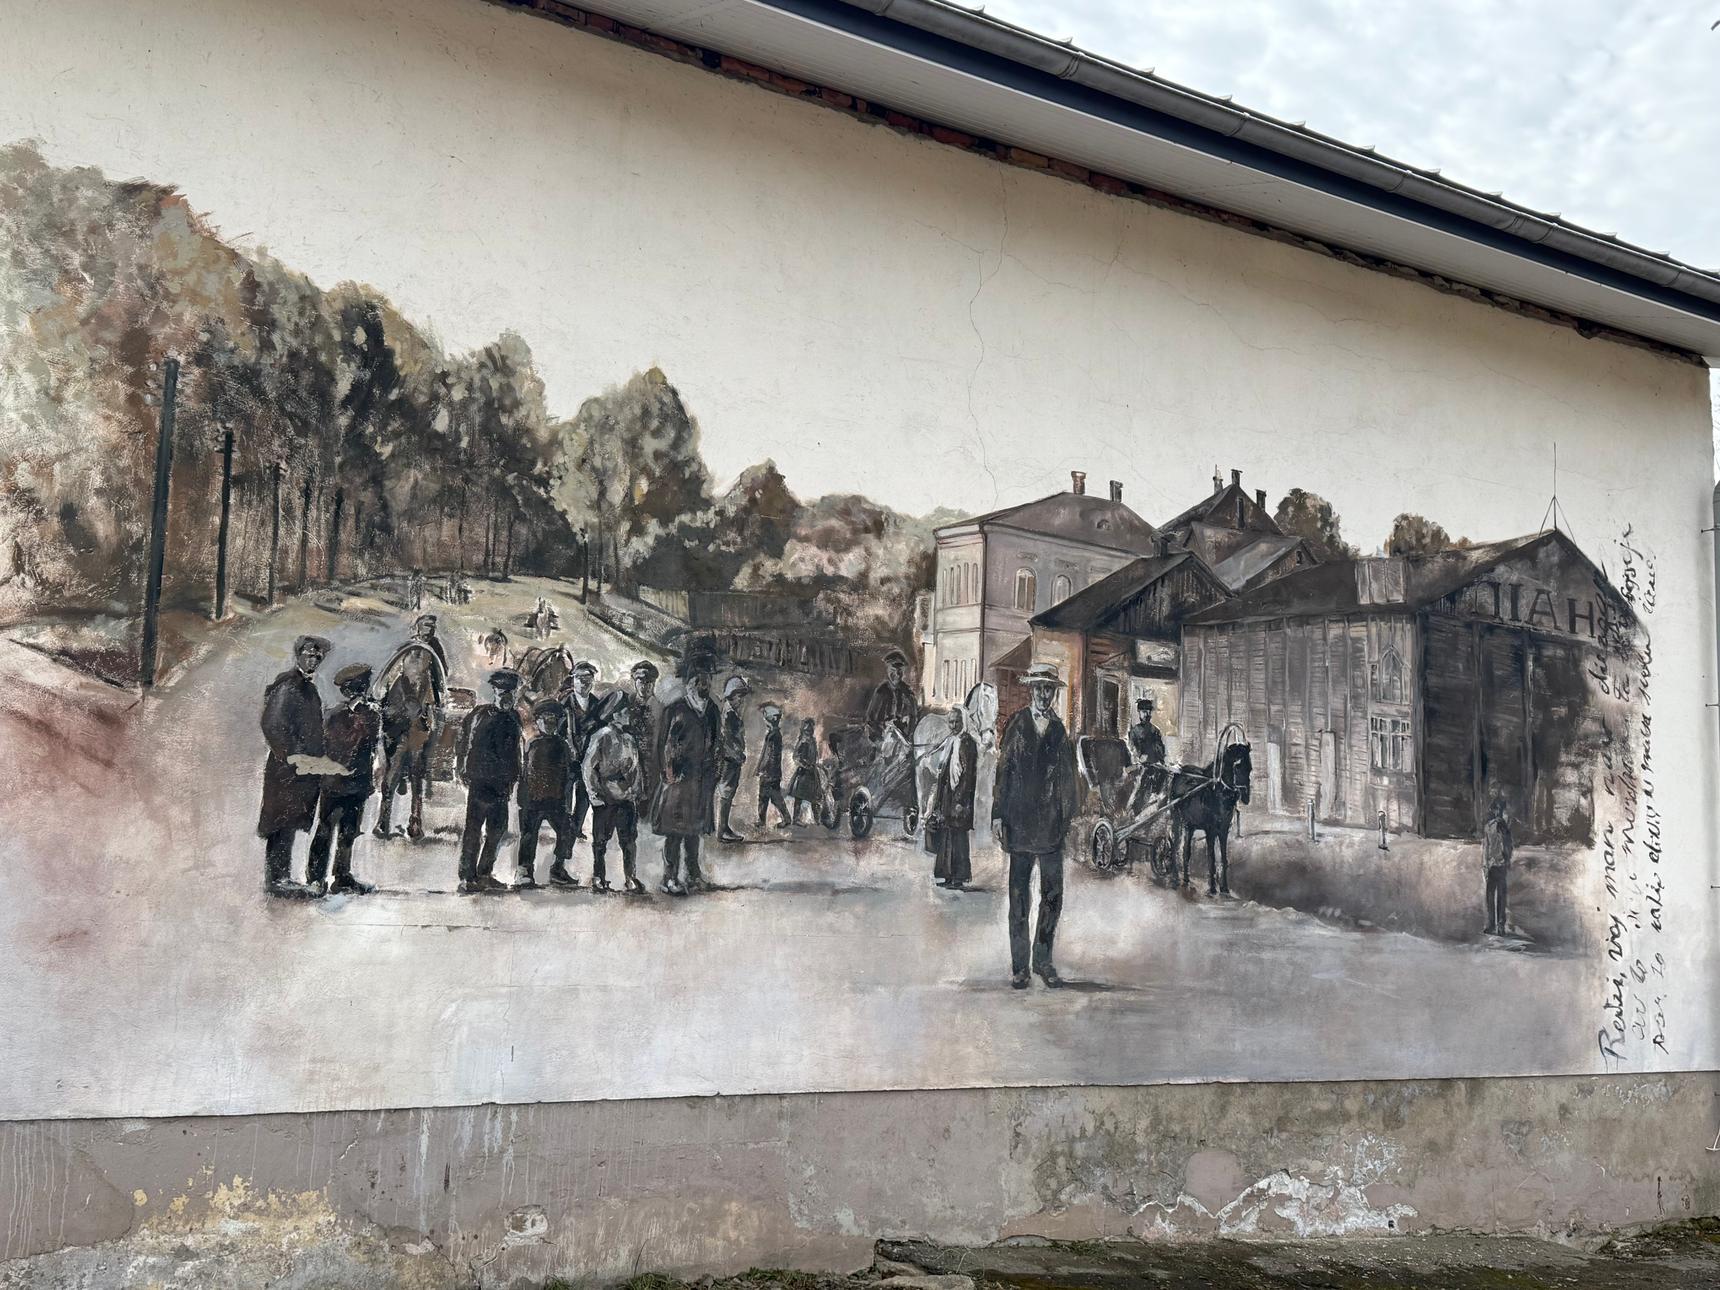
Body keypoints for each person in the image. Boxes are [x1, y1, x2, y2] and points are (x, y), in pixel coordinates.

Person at [993, 662, 1080, 989]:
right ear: (1031, 690)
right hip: (1019, 823)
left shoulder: (1058, 730)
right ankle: (1020, 967)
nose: (1044, 694)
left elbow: (1069, 779)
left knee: (1052, 895)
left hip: (1051, 826)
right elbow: (1003, 773)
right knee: (1019, 898)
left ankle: (1043, 961)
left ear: (1053, 693)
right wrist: (998, 815)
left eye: (1049, 689)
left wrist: (1068, 817)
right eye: (1039, 688)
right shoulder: (1016, 725)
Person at [257, 635, 332, 898]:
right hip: (286, 770)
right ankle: (276, 880)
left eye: (318, 656)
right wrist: (293, 755)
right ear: (298, 655)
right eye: (309, 655)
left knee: (289, 821)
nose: (314, 660)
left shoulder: (309, 688)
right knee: (280, 822)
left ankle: (282, 877)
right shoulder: (288, 686)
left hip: (302, 769)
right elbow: (272, 725)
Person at [306, 663, 379, 896]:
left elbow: (372, 745)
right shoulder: (334, 715)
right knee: (325, 830)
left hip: (358, 785)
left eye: (363, 686)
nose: (362, 691)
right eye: (358, 687)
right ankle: (316, 878)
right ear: (348, 690)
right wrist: (358, 717)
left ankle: (342, 876)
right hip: (335, 784)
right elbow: (342, 745)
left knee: (349, 832)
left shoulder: (371, 715)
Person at [652, 651, 718, 896]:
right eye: (699, 681)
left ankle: (693, 876)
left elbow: (716, 743)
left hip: (700, 781)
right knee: (674, 831)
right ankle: (669, 878)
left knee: (694, 831)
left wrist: (715, 772)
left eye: (707, 681)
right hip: (678, 781)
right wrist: (668, 772)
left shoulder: (712, 710)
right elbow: (663, 744)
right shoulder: (676, 709)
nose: (704, 685)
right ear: (689, 683)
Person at [456, 669, 523, 895]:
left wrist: (514, 776)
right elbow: (464, 744)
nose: (507, 698)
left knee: (497, 830)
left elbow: (515, 751)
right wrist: (462, 770)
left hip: (502, 785)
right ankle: (467, 877)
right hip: (481, 782)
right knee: (473, 830)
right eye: (503, 693)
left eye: (511, 694)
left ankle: (484, 874)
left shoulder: (514, 717)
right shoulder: (480, 715)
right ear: (494, 691)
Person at [374, 644, 443, 840]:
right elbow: (388, 712)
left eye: (423, 667)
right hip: (400, 737)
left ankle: (415, 820)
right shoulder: (399, 685)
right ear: (405, 666)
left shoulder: (427, 686)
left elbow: (432, 711)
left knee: (417, 778)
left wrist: (428, 719)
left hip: (418, 738)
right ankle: (383, 818)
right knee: (392, 776)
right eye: (415, 665)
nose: (419, 671)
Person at [585, 690, 648, 893]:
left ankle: (630, 877)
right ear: (615, 714)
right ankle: (598, 876)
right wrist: (594, 795)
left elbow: (636, 768)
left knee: (628, 840)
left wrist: (637, 791)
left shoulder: (629, 739)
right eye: (625, 711)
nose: (629, 714)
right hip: (605, 797)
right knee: (600, 840)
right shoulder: (601, 737)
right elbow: (589, 767)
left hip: (626, 797)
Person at [517, 699, 578, 889]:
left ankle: (558, 868)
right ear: (537, 722)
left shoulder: (563, 745)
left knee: (567, 831)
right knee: (529, 835)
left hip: (556, 800)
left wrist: (567, 800)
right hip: (533, 800)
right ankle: (524, 870)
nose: (549, 725)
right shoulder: (532, 744)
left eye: (553, 721)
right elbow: (524, 773)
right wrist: (522, 800)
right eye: (545, 720)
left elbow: (569, 774)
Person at [930, 707, 978, 890]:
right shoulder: (950, 741)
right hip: (948, 795)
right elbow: (943, 772)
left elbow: (968, 775)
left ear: (963, 722)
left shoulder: (968, 743)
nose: (954, 725)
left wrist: (960, 801)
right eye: (951, 722)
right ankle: (947, 875)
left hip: (960, 798)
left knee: (959, 837)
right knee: (947, 834)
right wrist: (938, 801)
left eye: (957, 721)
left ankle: (959, 876)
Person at [560, 660, 601, 844]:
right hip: (568, 758)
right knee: (566, 792)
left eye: (587, 679)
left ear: (592, 681)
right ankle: (565, 827)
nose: (583, 683)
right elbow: (558, 731)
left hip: (589, 758)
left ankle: (576, 828)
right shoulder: (564, 703)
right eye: (579, 678)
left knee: (584, 794)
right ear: (573, 680)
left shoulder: (597, 704)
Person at [715, 675, 752, 843]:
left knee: (728, 793)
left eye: (742, 696)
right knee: (726, 792)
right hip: (729, 759)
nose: (741, 700)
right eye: (739, 696)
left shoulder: (731, 711)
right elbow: (727, 739)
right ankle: (722, 831)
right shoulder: (729, 713)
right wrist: (738, 755)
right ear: (731, 695)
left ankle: (724, 828)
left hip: (732, 758)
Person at [865, 648, 919, 746]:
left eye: (899, 671)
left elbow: (913, 718)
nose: (897, 675)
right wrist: (884, 729)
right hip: (882, 742)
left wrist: (905, 724)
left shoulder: (908, 693)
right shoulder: (881, 692)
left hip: (903, 743)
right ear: (887, 670)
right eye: (893, 670)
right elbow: (870, 721)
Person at [1125, 696, 1169, 813]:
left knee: (1166, 780)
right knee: (1142, 786)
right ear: (1139, 713)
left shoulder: (1155, 731)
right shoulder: (1134, 731)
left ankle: (1159, 803)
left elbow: (1160, 749)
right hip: (1141, 767)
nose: (1147, 714)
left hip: (1155, 766)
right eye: (1144, 711)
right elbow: (1132, 748)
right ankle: (1134, 810)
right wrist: (1139, 758)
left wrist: (1161, 760)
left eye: (1149, 712)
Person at [754, 703, 791, 829]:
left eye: (766, 718)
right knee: (768, 797)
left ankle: (767, 820)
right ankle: (762, 820)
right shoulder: (773, 734)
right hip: (772, 772)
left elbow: (769, 756)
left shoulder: (773, 736)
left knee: (768, 797)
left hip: (769, 773)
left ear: (771, 720)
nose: (764, 721)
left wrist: (762, 769)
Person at [1484, 794, 1514, 935]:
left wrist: (1507, 860)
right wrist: (1485, 864)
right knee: (1490, 896)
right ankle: (1491, 924)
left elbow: (1509, 845)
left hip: (1501, 865)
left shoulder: (1505, 827)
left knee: (1501, 896)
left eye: (1501, 809)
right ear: (1493, 810)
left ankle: (1500, 925)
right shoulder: (1488, 827)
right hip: (1491, 864)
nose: (1498, 812)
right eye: (1496, 809)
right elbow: (1486, 847)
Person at [787, 717, 822, 825]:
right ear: (803, 729)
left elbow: (815, 756)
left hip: (812, 773)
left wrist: (815, 765)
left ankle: (818, 820)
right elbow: (796, 757)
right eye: (807, 729)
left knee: (815, 797)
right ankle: (796, 819)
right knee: (799, 797)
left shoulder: (813, 741)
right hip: (803, 773)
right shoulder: (802, 741)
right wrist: (805, 765)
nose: (809, 731)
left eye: (811, 729)